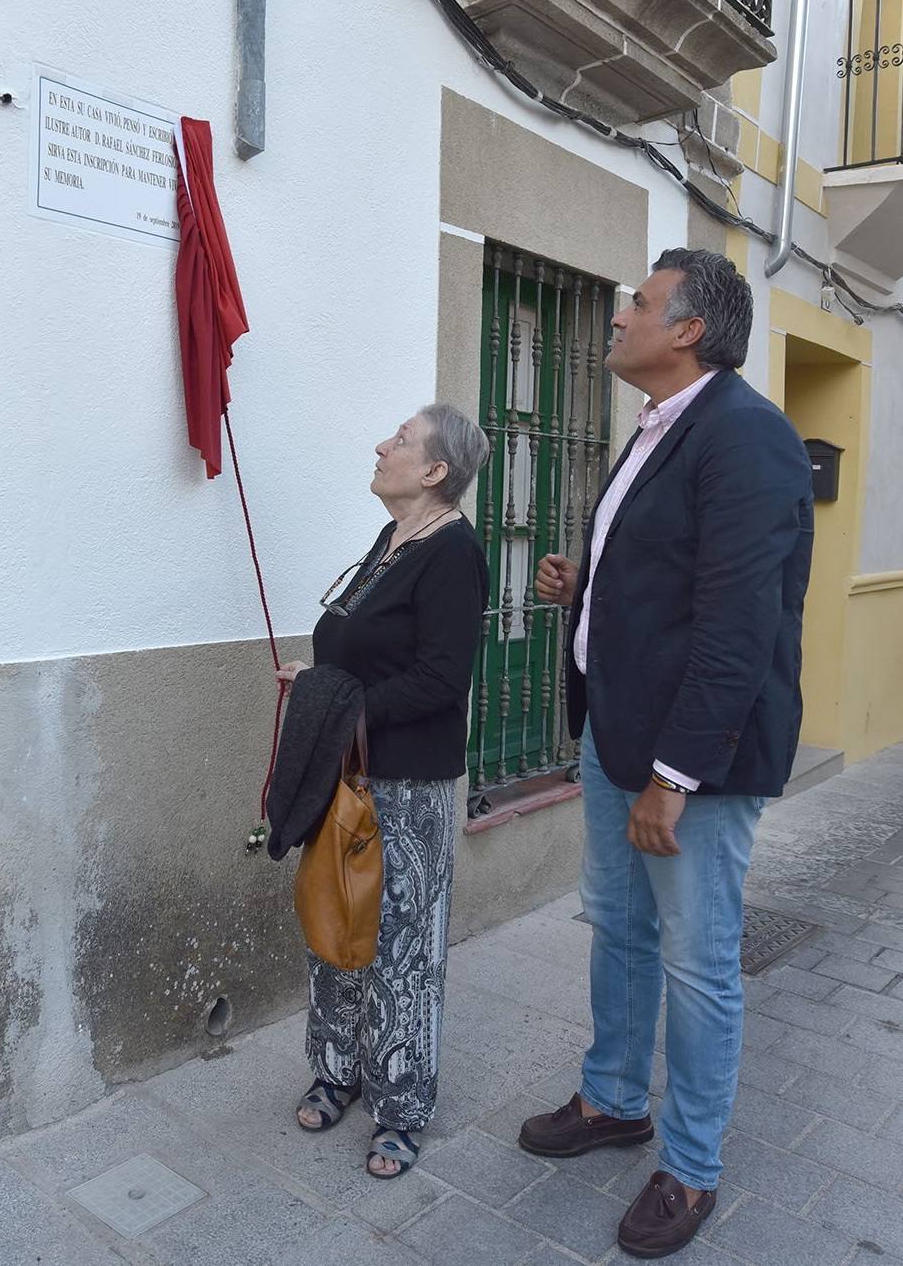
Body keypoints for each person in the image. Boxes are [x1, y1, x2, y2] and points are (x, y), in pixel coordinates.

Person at [521, 249, 814, 1259]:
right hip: (618, 728)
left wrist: (674, 775)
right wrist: (585, 591)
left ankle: (689, 1167)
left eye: (638, 303)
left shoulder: (747, 437)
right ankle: (611, 1099)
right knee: (620, 927)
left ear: (687, 329)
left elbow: (740, 625)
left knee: (696, 961)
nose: (619, 313)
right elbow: (670, 583)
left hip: (695, 759)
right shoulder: (659, 429)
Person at [276, 403, 489, 1180]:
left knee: (400, 945)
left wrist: (346, 707)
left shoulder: (452, 552)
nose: (380, 445)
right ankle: (334, 1069)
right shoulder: (393, 542)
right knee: (334, 923)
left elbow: (439, 677)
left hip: (407, 784)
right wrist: (319, 683)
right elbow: (363, 649)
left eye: (398, 440)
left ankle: (400, 1106)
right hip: (349, 773)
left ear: (434, 471)